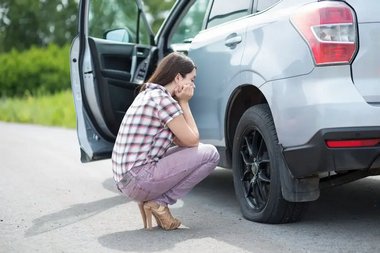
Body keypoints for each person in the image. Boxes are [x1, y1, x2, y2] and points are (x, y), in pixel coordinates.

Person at [112, 52, 220, 230]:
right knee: (210, 154)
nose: (193, 85)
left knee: (196, 151)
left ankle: (152, 201)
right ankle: (159, 202)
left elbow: (183, 142)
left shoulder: (148, 94)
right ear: (178, 77)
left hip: (126, 179)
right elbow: (193, 140)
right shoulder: (164, 101)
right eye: (192, 79)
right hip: (138, 179)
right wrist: (184, 102)